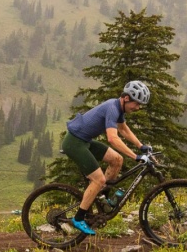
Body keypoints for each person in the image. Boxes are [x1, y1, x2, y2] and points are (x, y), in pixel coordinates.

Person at [62, 80, 152, 236]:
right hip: (74, 142)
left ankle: (103, 199)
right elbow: (112, 138)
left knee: (117, 160)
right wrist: (136, 156)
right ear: (125, 98)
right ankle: (78, 218)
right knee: (99, 180)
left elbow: (123, 129)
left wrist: (140, 145)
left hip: (85, 141)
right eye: (136, 103)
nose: (138, 108)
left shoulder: (119, 108)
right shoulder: (112, 108)